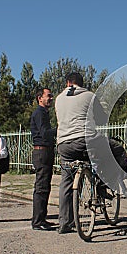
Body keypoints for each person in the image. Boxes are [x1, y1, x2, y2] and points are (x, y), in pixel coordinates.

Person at [55, 72, 107, 234]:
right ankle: (102, 185)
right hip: (85, 141)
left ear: (68, 82)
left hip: (64, 144)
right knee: (109, 151)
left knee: (66, 181)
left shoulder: (58, 98)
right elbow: (101, 119)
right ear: (81, 83)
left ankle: (64, 222)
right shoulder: (89, 96)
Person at [30, 87, 56, 231]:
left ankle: (42, 218)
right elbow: (45, 133)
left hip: (45, 151)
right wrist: (60, 129)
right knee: (41, 187)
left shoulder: (44, 113)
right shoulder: (39, 113)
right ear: (40, 98)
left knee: (45, 186)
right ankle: (37, 221)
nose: (51, 98)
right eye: (48, 96)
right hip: (42, 152)